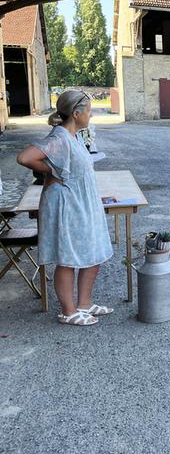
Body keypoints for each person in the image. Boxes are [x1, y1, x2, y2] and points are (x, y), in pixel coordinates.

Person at [15, 90, 113, 326]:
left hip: (81, 201)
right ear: (76, 113)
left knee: (94, 251)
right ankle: (68, 312)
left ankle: (84, 303)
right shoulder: (59, 137)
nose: (91, 115)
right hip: (65, 203)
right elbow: (25, 157)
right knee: (67, 258)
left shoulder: (74, 136)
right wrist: (51, 170)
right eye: (89, 111)